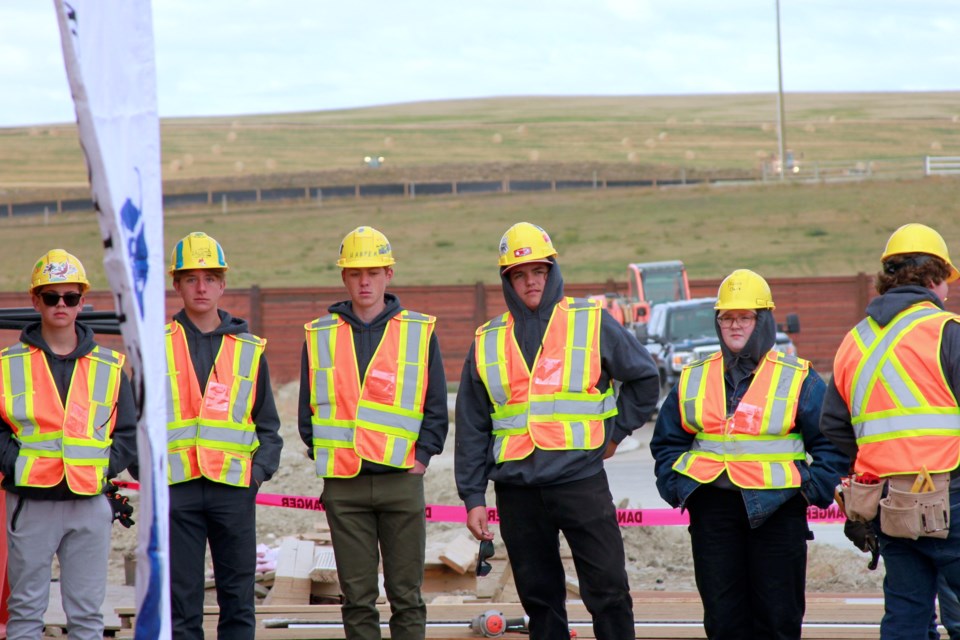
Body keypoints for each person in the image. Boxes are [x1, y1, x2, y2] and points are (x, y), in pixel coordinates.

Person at [455, 222, 660, 640]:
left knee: (608, 591)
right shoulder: (488, 340)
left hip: (579, 481)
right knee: (540, 600)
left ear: (552, 272)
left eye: (539, 271)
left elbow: (644, 379)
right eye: (519, 274)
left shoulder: (590, 321)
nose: (530, 281)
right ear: (507, 280)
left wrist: (614, 435)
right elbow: (473, 423)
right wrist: (473, 496)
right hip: (517, 490)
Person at [651, 268, 847, 640]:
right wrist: (678, 487)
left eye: (745, 317)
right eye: (727, 318)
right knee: (724, 621)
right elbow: (666, 443)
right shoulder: (693, 377)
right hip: (713, 513)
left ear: (763, 321)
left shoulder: (798, 378)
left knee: (779, 620)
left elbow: (830, 444)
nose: (735, 326)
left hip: (778, 512)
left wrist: (811, 489)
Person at [298, 226, 447, 640]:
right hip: (344, 485)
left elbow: (435, 405)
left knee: (407, 597)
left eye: (374, 272)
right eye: (356, 273)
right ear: (344, 278)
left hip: (401, 479)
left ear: (389, 274)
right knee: (357, 599)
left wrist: (422, 458)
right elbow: (307, 413)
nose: (365, 281)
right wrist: (324, 454)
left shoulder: (418, 332)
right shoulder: (319, 335)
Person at [821, 223, 960, 640]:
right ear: (934, 278)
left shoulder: (854, 341)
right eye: (948, 281)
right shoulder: (946, 332)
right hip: (950, 497)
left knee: (906, 616)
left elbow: (833, 424)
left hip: (885, 502)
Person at [0, 249, 137, 640]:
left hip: (89, 505)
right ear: (35, 300)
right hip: (30, 504)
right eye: (51, 296)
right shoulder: (7, 364)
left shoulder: (110, 366)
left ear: (81, 300)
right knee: (25, 613)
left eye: (70, 297)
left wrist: (99, 468)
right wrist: (14, 464)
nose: (61, 304)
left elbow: (126, 434)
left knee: (88, 617)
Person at [165, 231, 282, 639]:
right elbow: (134, 420)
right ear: (175, 283)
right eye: (191, 278)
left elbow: (268, 426)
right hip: (176, 489)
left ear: (222, 284)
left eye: (210, 278)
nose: (201, 287)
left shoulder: (248, 348)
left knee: (237, 601)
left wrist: (257, 474)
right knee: (181, 605)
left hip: (233, 489)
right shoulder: (156, 345)